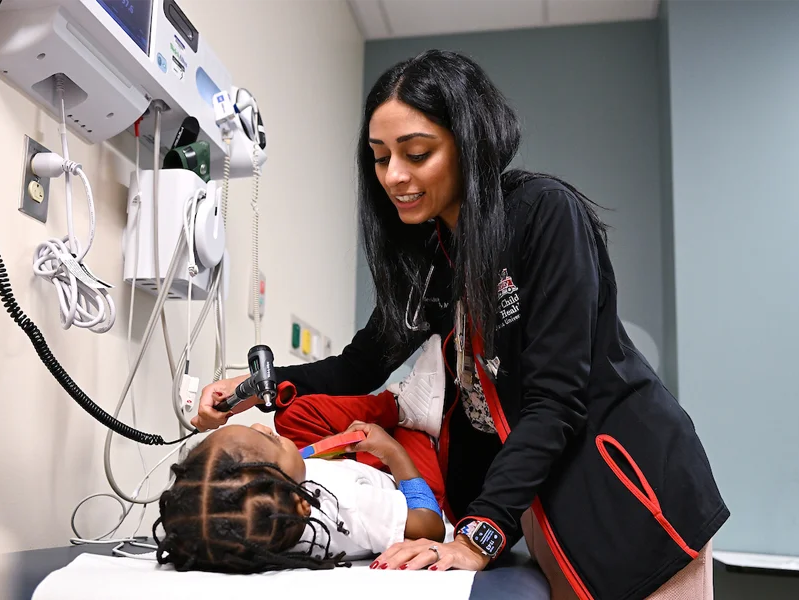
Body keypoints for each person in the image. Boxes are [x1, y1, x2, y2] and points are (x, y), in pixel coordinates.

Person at [193, 49, 729, 599]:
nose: (394, 176)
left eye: (417, 153)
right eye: (380, 158)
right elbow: (361, 365)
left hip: (633, 497)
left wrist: (477, 536)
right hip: (542, 504)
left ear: (469, 144)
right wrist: (254, 388)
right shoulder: (431, 257)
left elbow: (555, 400)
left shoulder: (544, 215)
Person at [155, 335, 448, 573]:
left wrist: (328, 452)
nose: (262, 426)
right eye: (267, 441)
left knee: (292, 415)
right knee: (410, 438)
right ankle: (407, 411)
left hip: (349, 469)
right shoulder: (353, 507)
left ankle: (397, 409)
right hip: (413, 488)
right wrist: (393, 452)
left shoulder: (269, 518)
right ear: (301, 504)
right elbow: (430, 526)